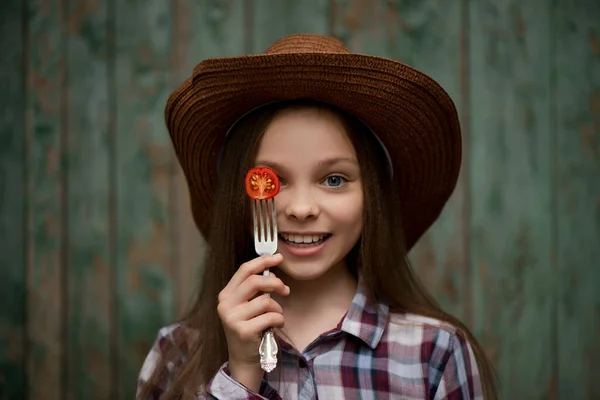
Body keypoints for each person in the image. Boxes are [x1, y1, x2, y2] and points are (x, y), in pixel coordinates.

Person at [136, 34, 498, 399]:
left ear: (371, 197)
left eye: (335, 179)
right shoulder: (177, 355)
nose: (302, 208)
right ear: (238, 198)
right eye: (273, 181)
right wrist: (242, 374)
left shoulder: (435, 353)